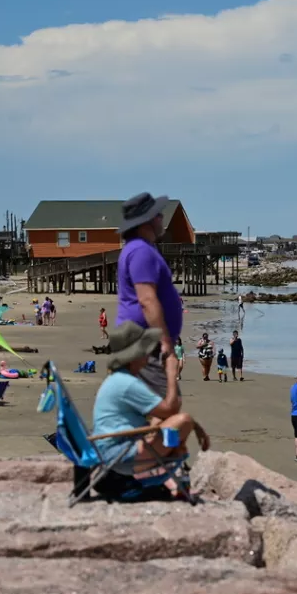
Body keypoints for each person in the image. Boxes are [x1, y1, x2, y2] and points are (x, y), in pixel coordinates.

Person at [91, 323, 210, 502]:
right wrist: (171, 370)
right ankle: (177, 474)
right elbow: (171, 408)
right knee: (183, 421)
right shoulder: (127, 383)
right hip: (120, 456)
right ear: (134, 356)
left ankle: (175, 475)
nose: (150, 352)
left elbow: (161, 414)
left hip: (110, 449)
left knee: (161, 420)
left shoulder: (118, 378)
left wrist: (196, 426)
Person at [115, 192, 183, 394]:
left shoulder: (140, 248)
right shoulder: (140, 251)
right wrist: (165, 343)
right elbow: (146, 299)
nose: (162, 218)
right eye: (158, 215)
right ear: (147, 222)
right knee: (166, 402)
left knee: (152, 409)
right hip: (144, 342)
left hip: (141, 340)